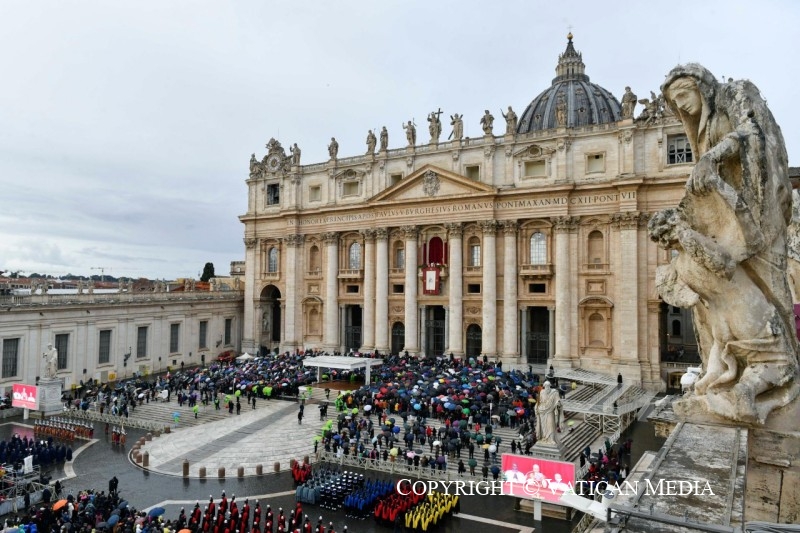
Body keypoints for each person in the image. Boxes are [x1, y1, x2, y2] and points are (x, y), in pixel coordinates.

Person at [649, 64, 799, 424]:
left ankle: (772, 367)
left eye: (683, 96)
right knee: (710, 310)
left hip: (751, 221)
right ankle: (726, 377)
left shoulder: (735, 94)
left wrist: (713, 157)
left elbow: (753, 132)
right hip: (726, 232)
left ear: (700, 85)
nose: (681, 107)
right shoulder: (699, 128)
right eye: (674, 103)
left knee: (767, 295)